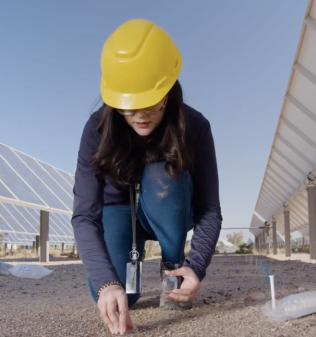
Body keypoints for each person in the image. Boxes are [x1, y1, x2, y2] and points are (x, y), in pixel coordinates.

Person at [71, 18, 222, 335]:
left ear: (168, 89)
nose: (139, 115)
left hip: (169, 204)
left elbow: (209, 208)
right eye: (128, 106)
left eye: (149, 104)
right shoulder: (97, 130)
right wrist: (106, 283)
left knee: (162, 176)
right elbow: (85, 214)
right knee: (122, 296)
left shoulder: (195, 127)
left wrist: (196, 268)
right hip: (118, 212)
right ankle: (127, 280)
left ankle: (173, 272)